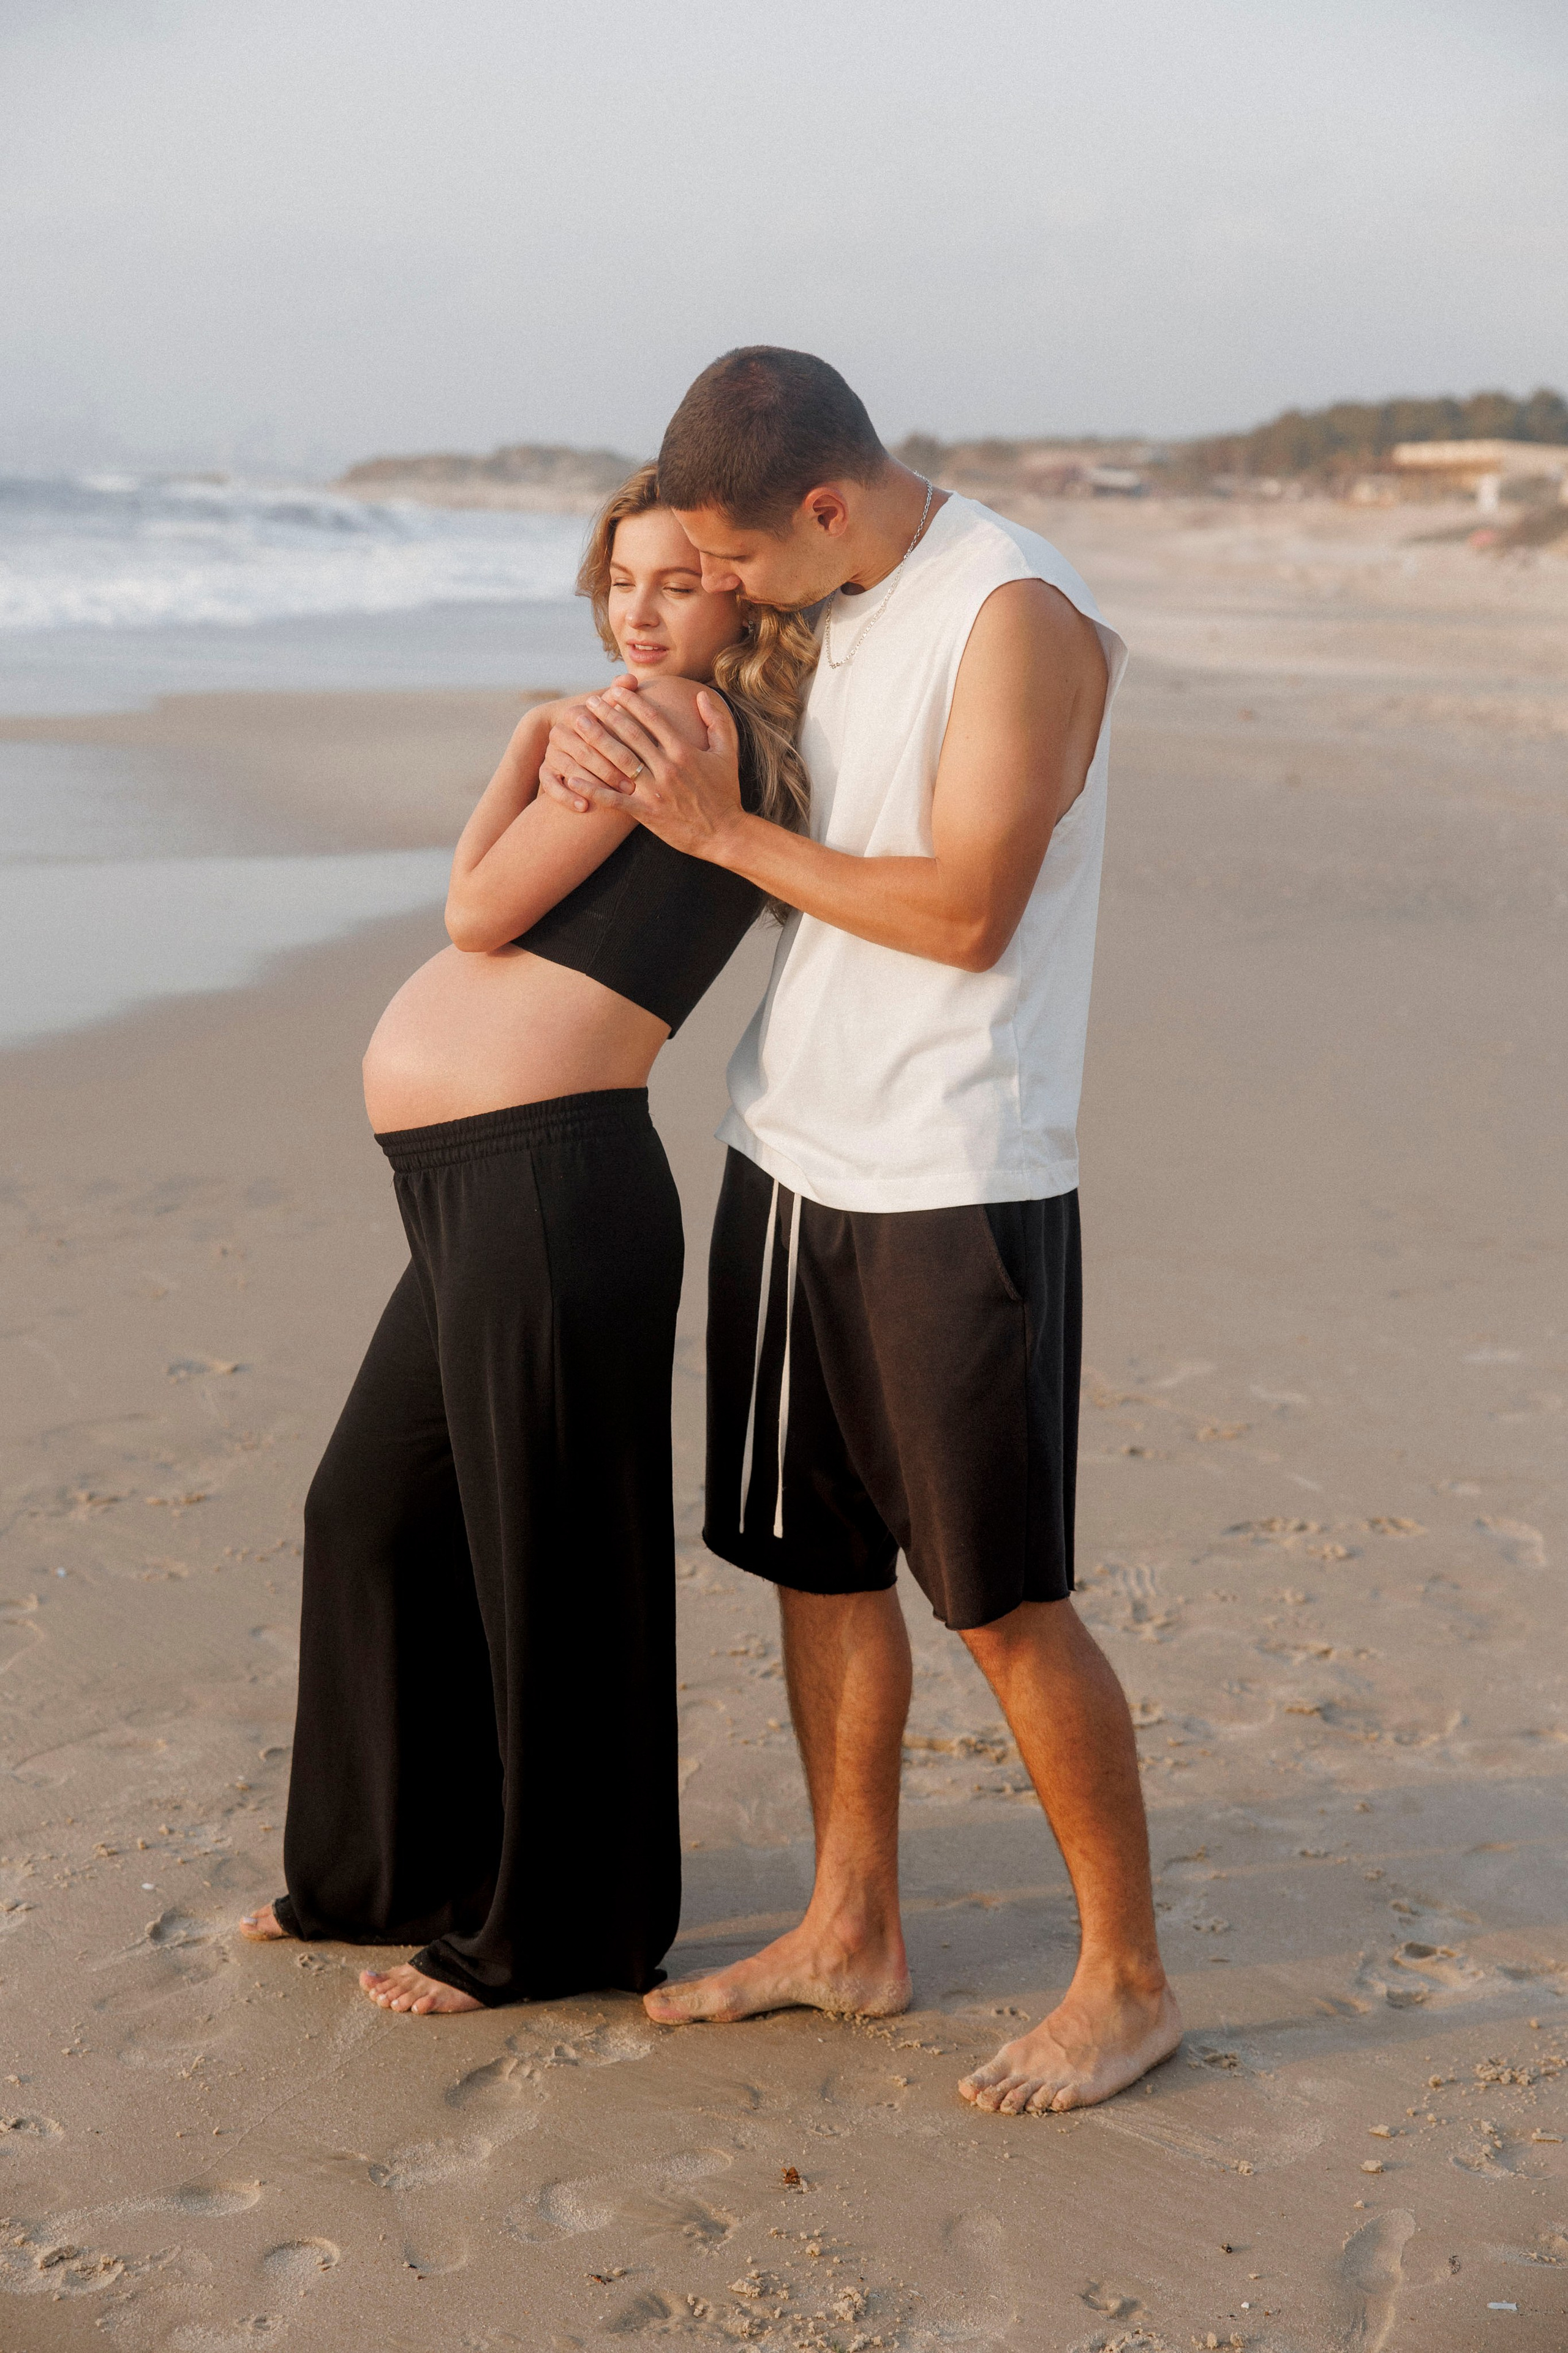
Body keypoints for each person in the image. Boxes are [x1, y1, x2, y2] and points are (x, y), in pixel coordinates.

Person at [540, 347, 1183, 2112]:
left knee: (1002, 1601)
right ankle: (850, 1927)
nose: (729, 590)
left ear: (824, 506)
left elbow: (970, 913)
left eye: (741, 558)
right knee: (810, 1561)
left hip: (953, 1175)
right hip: (791, 1152)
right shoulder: (846, 602)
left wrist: (724, 833)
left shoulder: (1015, 615)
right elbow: (700, 697)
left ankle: (1127, 1980)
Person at [236, 464, 816, 2014]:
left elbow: (477, 911)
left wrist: (515, 742)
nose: (637, 610)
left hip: (548, 1190)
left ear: (736, 594)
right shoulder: (680, 722)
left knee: (547, 1569)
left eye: (676, 581)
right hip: (487, 1194)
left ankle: (553, 1926)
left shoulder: (666, 728)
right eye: (619, 579)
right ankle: (383, 1871)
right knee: (368, 1512)